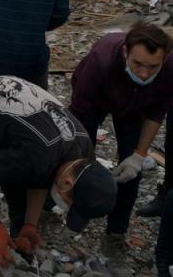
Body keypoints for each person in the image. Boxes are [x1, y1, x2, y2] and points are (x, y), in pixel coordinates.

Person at [0, 75, 116, 277]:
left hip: (12, 127)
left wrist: (30, 224)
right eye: (69, 203)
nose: (65, 207)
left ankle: (17, 264)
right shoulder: (37, 156)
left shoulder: (83, 154)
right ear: (66, 183)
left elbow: (42, 176)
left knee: (21, 206)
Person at [68, 23, 173, 275]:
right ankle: (66, 208)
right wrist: (85, 162)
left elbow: (156, 114)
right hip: (94, 101)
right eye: (138, 64)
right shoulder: (100, 60)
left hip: (135, 106)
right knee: (78, 159)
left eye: (152, 67)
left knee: (131, 170)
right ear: (126, 52)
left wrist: (139, 156)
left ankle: (116, 232)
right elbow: (79, 113)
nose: (145, 73)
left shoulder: (169, 68)